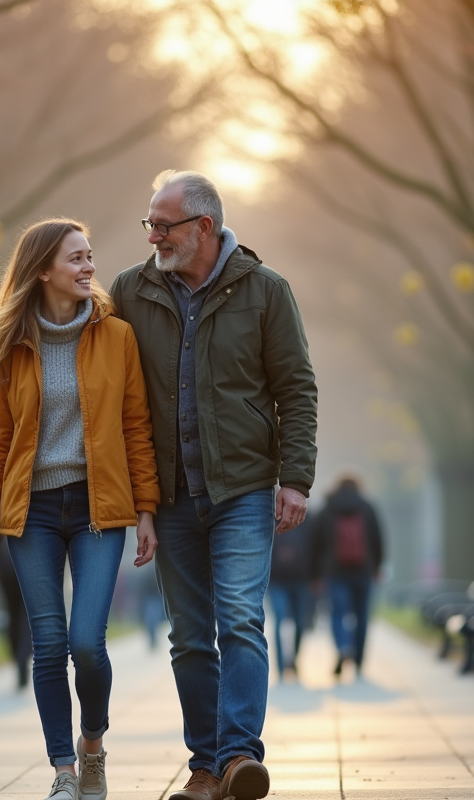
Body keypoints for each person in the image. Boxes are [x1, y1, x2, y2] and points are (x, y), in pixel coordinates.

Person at [110, 170, 317, 800]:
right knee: (190, 634)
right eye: (148, 223)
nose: (152, 236)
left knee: (240, 619)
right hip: (170, 494)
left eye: (163, 224)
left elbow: (296, 389)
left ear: (204, 225)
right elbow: (77, 340)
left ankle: (236, 758)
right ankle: (204, 765)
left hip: (245, 489)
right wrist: (0, 352)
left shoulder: (265, 290)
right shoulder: (129, 289)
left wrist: (296, 479)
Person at [0, 218, 160, 800]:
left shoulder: (117, 336)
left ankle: (93, 745)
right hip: (31, 513)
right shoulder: (8, 350)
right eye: (76, 258)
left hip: (99, 508)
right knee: (48, 644)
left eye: (90, 256)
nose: (89, 268)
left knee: (86, 643)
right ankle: (63, 771)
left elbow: (136, 426)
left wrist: (146, 508)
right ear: (43, 269)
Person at [311, 475, 385, 677]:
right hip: (363, 570)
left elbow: (316, 544)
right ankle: (359, 661)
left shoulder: (327, 508)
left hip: (335, 572)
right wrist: (377, 566)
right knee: (361, 616)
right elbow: (378, 538)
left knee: (337, 614)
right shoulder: (367, 507)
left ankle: (343, 646)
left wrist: (316, 575)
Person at [267, 523, 316, 682]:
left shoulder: (307, 518)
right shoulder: (269, 514)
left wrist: (316, 575)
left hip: (301, 581)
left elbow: (316, 547)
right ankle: (281, 667)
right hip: (276, 581)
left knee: (300, 623)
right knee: (280, 619)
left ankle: (293, 661)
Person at [0, 535, 33, 689]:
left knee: (12, 613)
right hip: (28, 555)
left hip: (5, 556)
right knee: (27, 614)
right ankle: (23, 657)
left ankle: (17, 658)